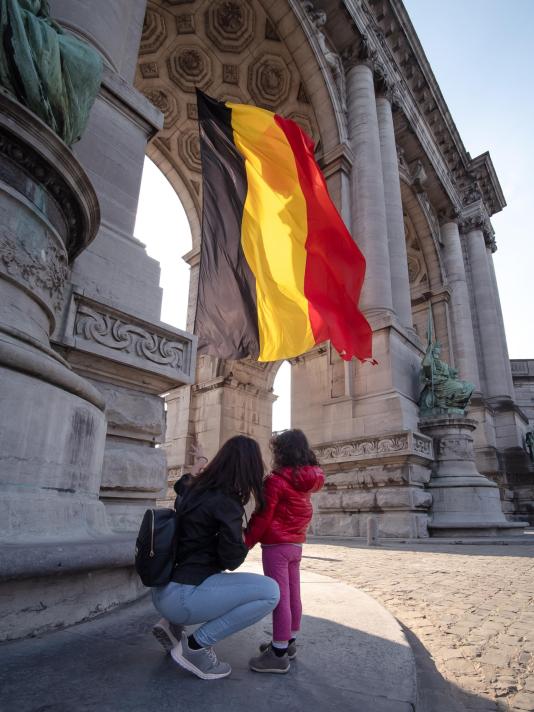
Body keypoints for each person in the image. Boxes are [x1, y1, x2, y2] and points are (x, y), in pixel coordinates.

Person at [151, 435, 280, 680]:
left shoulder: (190, 489)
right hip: (182, 599)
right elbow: (232, 560)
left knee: (206, 568)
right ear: (249, 469)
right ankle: (197, 646)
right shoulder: (226, 503)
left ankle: (170, 626)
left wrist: (200, 461)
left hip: (161, 591)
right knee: (270, 591)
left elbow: (184, 481)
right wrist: (249, 531)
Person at [244, 429, 325, 674]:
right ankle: (288, 642)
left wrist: (245, 542)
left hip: (275, 547)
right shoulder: (307, 479)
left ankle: (278, 654)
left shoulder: (276, 480)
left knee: (279, 597)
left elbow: (262, 517)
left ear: (281, 452)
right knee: (293, 594)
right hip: (295, 544)